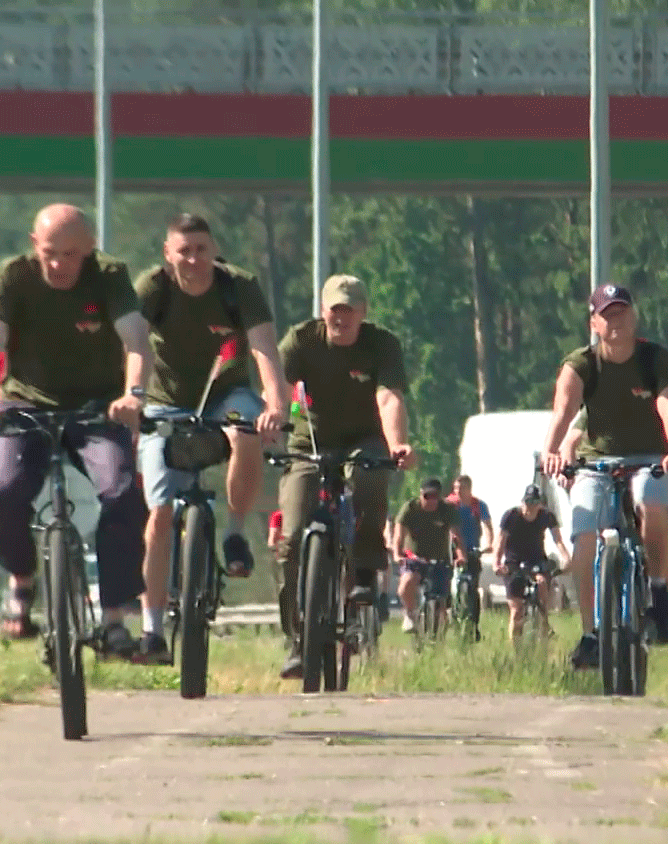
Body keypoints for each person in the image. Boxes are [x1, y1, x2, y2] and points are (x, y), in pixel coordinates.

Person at [0, 203, 153, 658]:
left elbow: (137, 342)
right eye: (50, 253)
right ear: (35, 245)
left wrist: (133, 394)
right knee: (2, 490)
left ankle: (113, 618)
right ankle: (21, 581)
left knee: (122, 492)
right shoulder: (14, 276)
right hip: (24, 404)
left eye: (71, 254)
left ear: (89, 249)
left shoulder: (110, 277)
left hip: (95, 408)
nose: (59, 265)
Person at [130, 213, 289, 664]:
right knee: (159, 516)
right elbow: (133, 347)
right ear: (168, 254)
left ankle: (235, 534)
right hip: (166, 403)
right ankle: (152, 630)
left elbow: (263, 348)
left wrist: (275, 404)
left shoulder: (238, 286)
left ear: (213, 250)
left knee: (247, 433)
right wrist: (130, 398)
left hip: (227, 394)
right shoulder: (153, 288)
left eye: (202, 249)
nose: (194, 260)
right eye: (184, 251)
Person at [539, 284, 668, 670]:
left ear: (634, 316)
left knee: (651, 502)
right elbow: (564, 410)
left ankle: (658, 595)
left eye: (621, 312)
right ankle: (591, 633)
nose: (615, 321)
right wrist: (551, 452)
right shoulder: (582, 363)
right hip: (597, 462)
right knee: (584, 532)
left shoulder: (656, 359)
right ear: (594, 322)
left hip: (650, 458)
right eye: (607, 314)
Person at [275, 274, 415, 679]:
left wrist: (397, 444)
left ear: (363, 312)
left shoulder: (382, 344)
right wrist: (276, 419)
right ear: (323, 311)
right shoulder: (300, 341)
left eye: (350, 309)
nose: (342, 317)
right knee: (292, 536)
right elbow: (281, 390)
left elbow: (388, 397)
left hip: (364, 439)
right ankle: (296, 639)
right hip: (310, 443)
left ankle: (366, 570)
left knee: (371, 478)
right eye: (335, 309)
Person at [493, 484, 570, 641]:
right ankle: (516, 650)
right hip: (514, 562)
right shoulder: (511, 516)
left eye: (535, 503)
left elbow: (558, 540)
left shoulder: (546, 516)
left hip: (536, 560)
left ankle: (544, 622)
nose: (531, 507)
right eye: (528, 502)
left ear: (540, 504)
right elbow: (500, 542)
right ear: (522, 502)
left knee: (542, 582)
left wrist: (566, 557)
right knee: (516, 610)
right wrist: (496, 563)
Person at [394, 478, 467, 633]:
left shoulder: (447, 509)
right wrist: (397, 553)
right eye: (427, 496)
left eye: (435, 497)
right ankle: (410, 614)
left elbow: (456, 536)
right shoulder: (410, 508)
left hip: (439, 559)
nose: (431, 501)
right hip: (414, 557)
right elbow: (399, 535)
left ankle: (438, 638)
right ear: (421, 494)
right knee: (405, 587)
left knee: (441, 602)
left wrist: (460, 556)